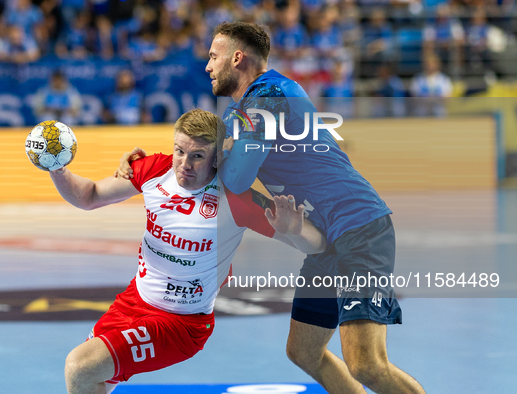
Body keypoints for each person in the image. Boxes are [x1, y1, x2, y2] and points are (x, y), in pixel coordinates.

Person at [117, 22, 425, 394]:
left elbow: (236, 178)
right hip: (326, 239)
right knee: (304, 352)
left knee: (367, 365)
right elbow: (205, 158)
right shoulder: (239, 112)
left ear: (237, 57)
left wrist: (222, 159)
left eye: (213, 57)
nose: (207, 67)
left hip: (358, 227)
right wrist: (150, 163)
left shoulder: (272, 95)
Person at [50, 109, 326, 394]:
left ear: (217, 158)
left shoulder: (236, 200)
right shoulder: (155, 169)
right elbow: (90, 195)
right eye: (179, 151)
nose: (184, 164)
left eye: (197, 156)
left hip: (182, 323)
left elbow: (316, 244)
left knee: (80, 366)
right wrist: (57, 169)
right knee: (90, 381)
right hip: (133, 301)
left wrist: (294, 230)